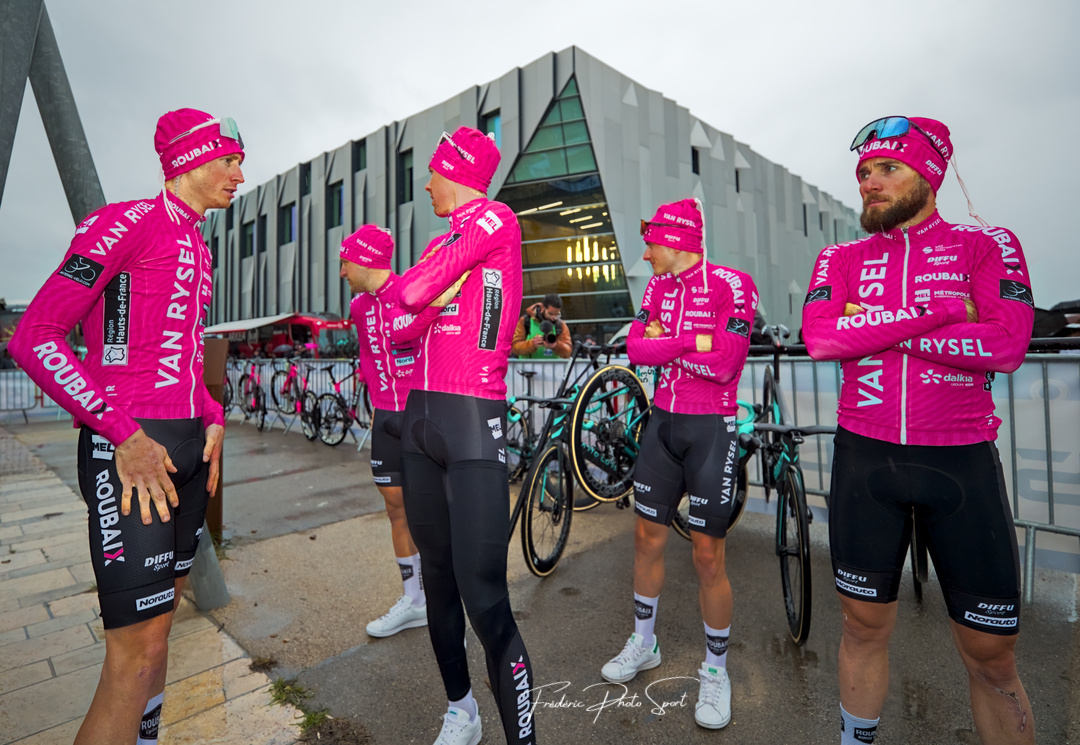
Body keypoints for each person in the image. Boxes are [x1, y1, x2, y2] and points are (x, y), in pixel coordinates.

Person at [9, 108, 244, 745]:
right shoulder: (123, 224)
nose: (239, 175)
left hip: (187, 454)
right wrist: (123, 434)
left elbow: (183, 355)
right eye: (229, 160)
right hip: (134, 454)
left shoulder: (198, 241)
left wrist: (213, 414)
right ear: (192, 160)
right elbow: (37, 337)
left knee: (159, 633)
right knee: (134, 653)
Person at [802, 116, 1036, 745]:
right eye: (862, 174)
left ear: (929, 175)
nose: (869, 183)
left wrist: (875, 323)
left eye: (886, 169)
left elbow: (1008, 342)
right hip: (865, 457)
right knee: (859, 629)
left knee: (992, 657)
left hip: (958, 463)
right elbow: (823, 338)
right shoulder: (840, 256)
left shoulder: (988, 245)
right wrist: (939, 313)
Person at [392, 126, 535, 745]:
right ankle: (461, 710)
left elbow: (412, 292)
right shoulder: (444, 239)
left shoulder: (495, 219)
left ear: (457, 172)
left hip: (473, 424)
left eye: (432, 172)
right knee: (439, 581)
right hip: (418, 424)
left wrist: (430, 293)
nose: (425, 183)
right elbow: (397, 323)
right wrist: (427, 295)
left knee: (485, 599)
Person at [609, 198, 758, 730]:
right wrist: (687, 341)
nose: (645, 254)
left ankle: (715, 671)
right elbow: (635, 348)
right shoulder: (655, 288)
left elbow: (725, 363)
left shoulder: (732, 285)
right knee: (645, 539)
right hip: (662, 427)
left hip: (710, 431)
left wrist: (665, 346)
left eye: (651, 243)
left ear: (676, 240)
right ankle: (643, 643)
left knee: (707, 557)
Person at [338, 225, 432, 637]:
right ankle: (414, 598)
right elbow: (366, 355)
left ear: (364, 260)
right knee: (395, 507)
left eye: (344, 262)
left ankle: (441, 594)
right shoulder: (360, 307)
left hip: (421, 415)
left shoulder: (411, 290)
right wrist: (376, 407)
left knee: (433, 511)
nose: (341, 271)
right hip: (385, 417)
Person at [511, 293, 571, 358]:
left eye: (557, 314)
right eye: (550, 314)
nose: (553, 317)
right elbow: (514, 348)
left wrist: (556, 345)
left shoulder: (560, 325)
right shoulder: (526, 321)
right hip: (527, 367)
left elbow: (568, 352)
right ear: (542, 308)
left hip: (553, 367)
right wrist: (532, 344)